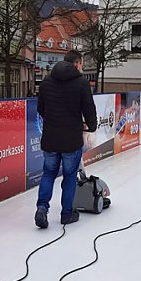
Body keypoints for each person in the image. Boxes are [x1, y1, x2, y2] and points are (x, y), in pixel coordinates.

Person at [34, 50, 97, 228]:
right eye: (82, 64)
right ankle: (66, 214)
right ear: (76, 64)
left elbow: (41, 109)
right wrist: (91, 126)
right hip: (71, 140)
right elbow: (89, 110)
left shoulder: (46, 81)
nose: (82, 67)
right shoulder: (81, 83)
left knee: (48, 174)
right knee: (69, 177)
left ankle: (41, 208)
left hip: (51, 138)